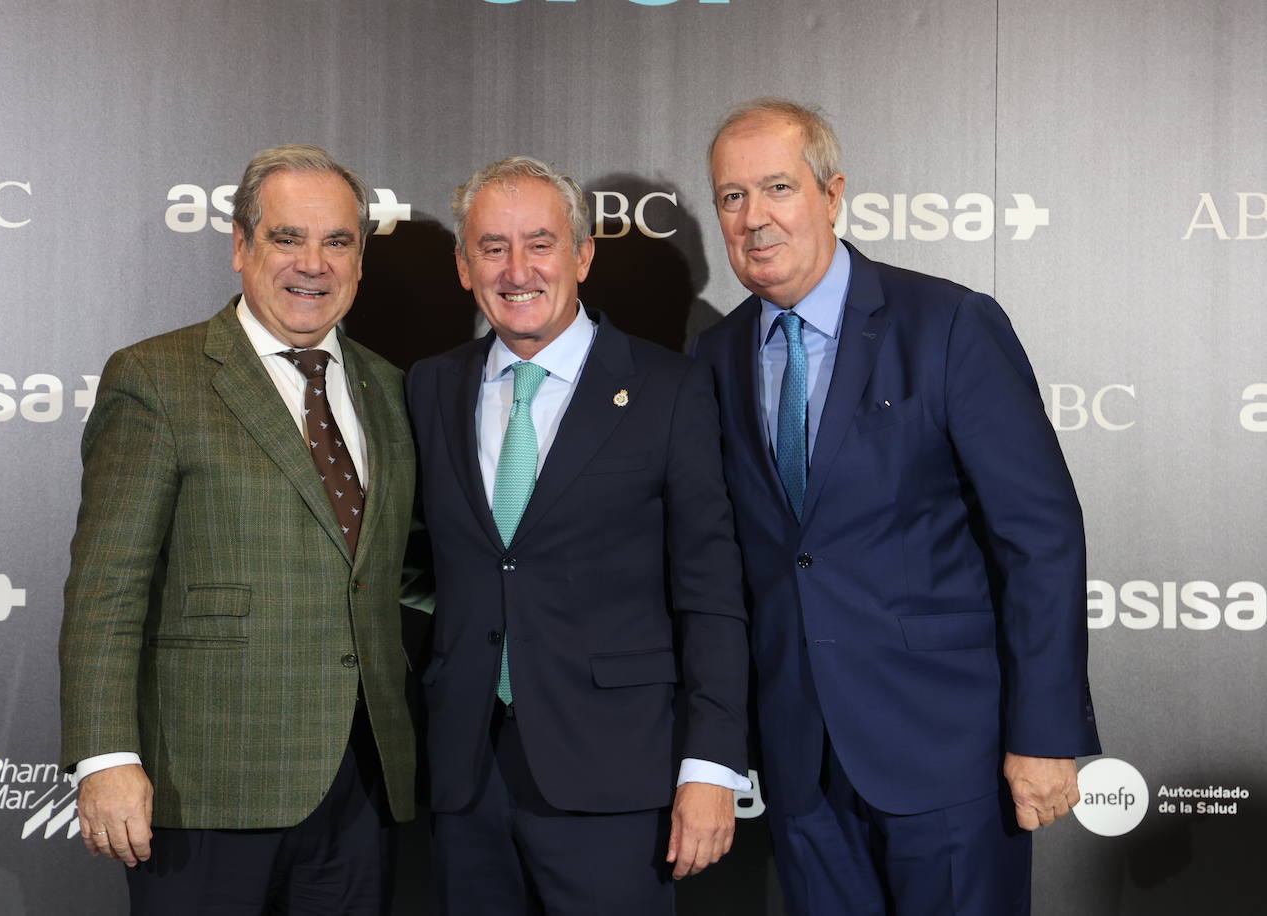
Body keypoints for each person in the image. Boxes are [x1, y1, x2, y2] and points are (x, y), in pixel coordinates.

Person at [692, 98, 1101, 915]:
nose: (754, 219)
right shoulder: (716, 354)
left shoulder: (948, 325)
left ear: (832, 193)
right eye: (732, 198)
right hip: (802, 761)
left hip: (950, 755)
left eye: (777, 187)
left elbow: (1040, 538)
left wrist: (1046, 733)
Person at [58, 145, 423, 913]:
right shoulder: (158, 378)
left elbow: (395, 575)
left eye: (338, 241)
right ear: (240, 246)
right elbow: (106, 589)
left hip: (360, 786)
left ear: (360, 257)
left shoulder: (390, 388)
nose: (312, 265)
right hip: (205, 786)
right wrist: (104, 756)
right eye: (288, 238)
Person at [406, 156, 750, 914]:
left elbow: (712, 592)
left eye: (541, 243)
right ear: (464, 266)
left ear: (584, 254)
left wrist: (712, 765)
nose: (517, 269)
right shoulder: (431, 386)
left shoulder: (671, 388)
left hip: (618, 777)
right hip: (466, 773)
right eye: (492, 247)